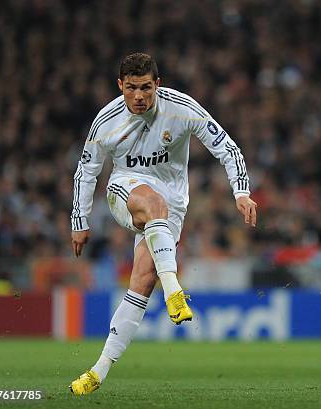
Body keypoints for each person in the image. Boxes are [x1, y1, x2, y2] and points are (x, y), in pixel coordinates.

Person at [69, 53, 257, 395]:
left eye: (145, 88)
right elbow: (88, 171)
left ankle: (97, 372)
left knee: (141, 280)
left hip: (173, 205)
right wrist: (79, 220)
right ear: (120, 86)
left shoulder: (182, 109)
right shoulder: (106, 121)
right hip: (124, 189)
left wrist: (241, 193)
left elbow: (227, 148)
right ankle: (175, 290)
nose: (138, 96)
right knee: (153, 203)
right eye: (130, 89)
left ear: (158, 84)